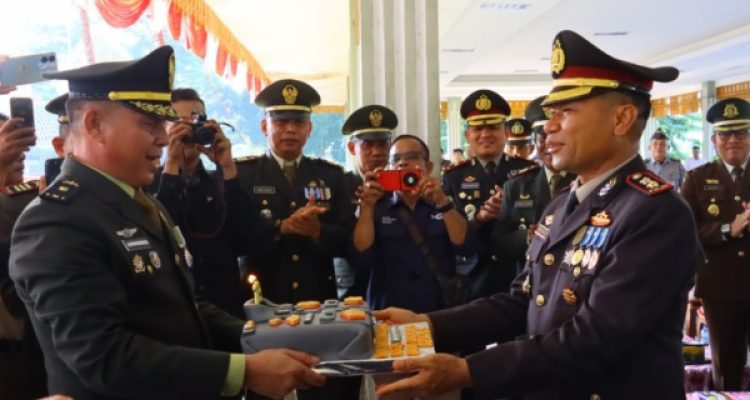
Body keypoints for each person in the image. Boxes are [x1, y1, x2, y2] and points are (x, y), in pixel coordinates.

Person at [373, 30, 699, 400]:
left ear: (621, 119)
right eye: (550, 113)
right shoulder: (562, 204)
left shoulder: (654, 212)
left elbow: (595, 337)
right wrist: (425, 325)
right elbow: (522, 300)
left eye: (566, 111)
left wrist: (467, 371)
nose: (549, 126)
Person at [9, 46, 324, 400]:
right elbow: (105, 357)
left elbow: (185, 307)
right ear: (95, 124)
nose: (163, 137)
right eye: (150, 124)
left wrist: (265, 335)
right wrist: (244, 370)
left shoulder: (141, 201)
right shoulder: (56, 221)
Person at [234, 79, 352, 400]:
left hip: (318, 304)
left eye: (298, 122)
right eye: (281, 121)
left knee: (321, 385)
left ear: (309, 129)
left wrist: (317, 232)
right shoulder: (243, 175)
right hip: (264, 303)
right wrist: (281, 228)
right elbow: (235, 239)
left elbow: (347, 241)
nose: (290, 130)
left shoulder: (331, 176)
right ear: (264, 126)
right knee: (263, 388)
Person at [155, 87, 252, 319]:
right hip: (176, 313)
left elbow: (250, 238)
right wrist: (171, 166)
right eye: (180, 123)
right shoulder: (148, 185)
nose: (189, 130)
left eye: (196, 121)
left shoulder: (222, 182)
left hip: (225, 309)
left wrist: (227, 167)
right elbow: (160, 234)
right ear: (163, 129)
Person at [351, 134, 476, 313]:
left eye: (412, 157)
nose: (403, 163)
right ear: (389, 168)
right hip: (389, 308)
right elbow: (361, 256)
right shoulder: (377, 206)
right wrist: (367, 207)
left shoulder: (443, 202)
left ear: (428, 166)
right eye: (395, 160)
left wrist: (442, 201)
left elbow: (466, 246)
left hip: (437, 310)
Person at [681, 97, 750, 391]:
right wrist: (726, 228)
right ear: (714, 140)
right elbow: (684, 232)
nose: (733, 140)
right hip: (721, 289)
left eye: (741, 132)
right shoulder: (697, 179)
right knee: (726, 367)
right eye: (725, 134)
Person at [442, 89, 536, 299]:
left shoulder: (528, 171)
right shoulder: (453, 177)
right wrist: (478, 218)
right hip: (473, 275)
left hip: (519, 271)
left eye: (493, 127)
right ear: (467, 135)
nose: (485, 134)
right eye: (477, 128)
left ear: (506, 132)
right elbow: (447, 231)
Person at [493, 96, 576, 279]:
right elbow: (499, 243)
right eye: (543, 137)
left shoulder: (584, 179)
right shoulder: (516, 185)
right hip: (529, 279)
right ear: (535, 142)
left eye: (558, 135)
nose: (550, 143)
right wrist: (526, 237)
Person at [0, 112, 47, 399]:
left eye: (19, 144)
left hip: (36, 349)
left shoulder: (31, 199)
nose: (18, 154)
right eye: (7, 142)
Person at [336, 104, 396, 299]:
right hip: (351, 285)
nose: (376, 152)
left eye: (382, 144)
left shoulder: (399, 186)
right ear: (352, 148)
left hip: (391, 283)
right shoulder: (340, 185)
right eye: (367, 145)